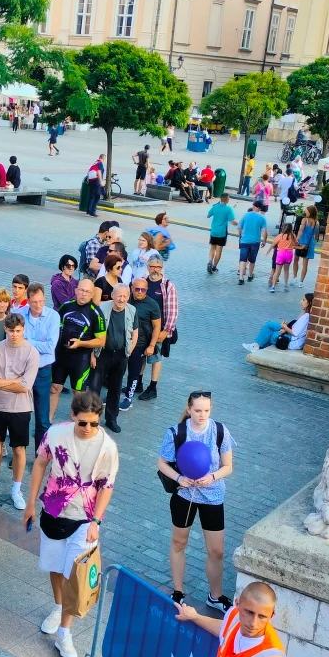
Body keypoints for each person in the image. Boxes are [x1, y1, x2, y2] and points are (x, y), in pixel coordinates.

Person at [25, 391, 117, 657]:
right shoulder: (56, 434)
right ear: (73, 416)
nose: (88, 428)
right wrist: (30, 503)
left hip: (84, 516)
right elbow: (41, 462)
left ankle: (65, 634)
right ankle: (57, 606)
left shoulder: (107, 447)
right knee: (55, 568)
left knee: (72, 575)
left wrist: (96, 522)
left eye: (94, 423)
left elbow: (106, 486)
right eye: (83, 423)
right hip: (53, 508)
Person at [158, 391, 235, 608]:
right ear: (189, 408)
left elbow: (228, 466)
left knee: (216, 551)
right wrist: (179, 478)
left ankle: (215, 596)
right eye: (198, 410)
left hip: (213, 496)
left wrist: (211, 476)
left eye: (207, 410)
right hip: (184, 495)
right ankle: (178, 591)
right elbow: (162, 463)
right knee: (179, 543)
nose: (202, 415)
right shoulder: (176, 432)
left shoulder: (219, 430)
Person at [0, 313, 39, 509]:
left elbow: (25, 387)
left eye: (18, 331)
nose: (14, 334)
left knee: (19, 449)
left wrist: (2, 383)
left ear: (23, 330)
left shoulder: (31, 352)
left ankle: (16, 489)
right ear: (5, 329)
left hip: (20, 408)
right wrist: (14, 381)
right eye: (11, 330)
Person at [50, 278, 106, 421]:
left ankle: (77, 423)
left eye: (87, 291)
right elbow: (55, 327)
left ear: (92, 294)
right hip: (61, 355)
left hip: (80, 358)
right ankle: (47, 422)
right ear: (76, 290)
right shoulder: (66, 306)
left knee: (78, 393)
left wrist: (80, 343)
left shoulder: (96, 313)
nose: (83, 294)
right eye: (81, 290)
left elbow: (101, 340)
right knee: (54, 388)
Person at [93, 285, 137, 433]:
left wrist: (129, 351)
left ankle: (111, 419)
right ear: (112, 295)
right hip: (102, 354)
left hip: (121, 355)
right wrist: (93, 355)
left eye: (125, 296)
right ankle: (93, 419)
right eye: (119, 296)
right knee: (95, 387)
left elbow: (135, 332)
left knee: (115, 388)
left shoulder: (132, 310)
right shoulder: (101, 308)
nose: (121, 299)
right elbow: (93, 333)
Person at [23, 284, 61, 448]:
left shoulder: (53, 316)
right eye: (34, 302)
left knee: (42, 417)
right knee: (22, 415)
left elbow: (50, 347)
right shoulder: (18, 314)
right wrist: (37, 344)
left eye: (41, 301)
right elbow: (15, 342)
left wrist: (27, 342)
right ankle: (20, 452)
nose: (38, 305)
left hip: (42, 371)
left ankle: (41, 453)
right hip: (22, 370)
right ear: (28, 300)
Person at [136, 257, 177, 401]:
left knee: (155, 358)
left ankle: (153, 387)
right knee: (140, 355)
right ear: (147, 267)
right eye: (152, 266)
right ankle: (138, 383)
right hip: (140, 327)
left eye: (158, 267)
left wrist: (165, 331)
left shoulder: (167, 286)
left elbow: (172, 311)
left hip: (158, 329)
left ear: (162, 268)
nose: (155, 269)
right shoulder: (142, 282)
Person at [122, 276, 162, 410]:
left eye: (143, 290)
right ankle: (113, 394)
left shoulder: (152, 304)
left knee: (134, 372)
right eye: (137, 289)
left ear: (146, 290)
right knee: (117, 371)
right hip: (122, 342)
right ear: (132, 288)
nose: (139, 292)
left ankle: (128, 398)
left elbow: (157, 326)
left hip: (140, 344)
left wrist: (151, 346)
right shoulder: (126, 299)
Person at [245, 293, 314, 353]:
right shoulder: (306, 314)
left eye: (304, 300)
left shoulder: (306, 317)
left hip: (291, 340)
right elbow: (296, 323)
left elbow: (295, 333)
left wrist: (285, 328)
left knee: (271, 331)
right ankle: (257, 346)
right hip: (290, 334)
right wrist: (285, 329)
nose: (301, 301)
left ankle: (256, 346)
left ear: (309, 303)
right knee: (270, 326)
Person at [237, 202, 268, 285]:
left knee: (243, 259)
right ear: (260, 208)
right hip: (255, 242)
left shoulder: (245, 215)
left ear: (254, 207)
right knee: (252, 260)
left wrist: (241, 236)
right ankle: (250, 275)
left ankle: (241, 278)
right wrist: (264, 241)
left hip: (244, 240)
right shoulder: (262, 218)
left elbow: (240, 227)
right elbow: (264, 231)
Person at [206, 192, 237, 275]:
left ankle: (209, 261)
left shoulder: (215, 207)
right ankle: (214, 266)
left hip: (214, 231)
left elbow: (208, 216)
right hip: (222, 232)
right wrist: (240, 224)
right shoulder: (229, 209)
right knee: (219, 250)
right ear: (227, 200)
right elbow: (233, 221)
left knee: (212, 247)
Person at [267, 222, 296, 292]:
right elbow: (295, 243)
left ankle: (273, 286)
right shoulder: (293, 236)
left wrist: (268, 250)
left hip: (280, 254)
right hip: (289, 254)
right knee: (286, 270)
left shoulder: (281, 235)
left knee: (277, 271)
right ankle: (286, 285)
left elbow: (273, 244)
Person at [294, 204, 318, 284]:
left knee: (296, 259)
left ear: (310, 212)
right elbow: (317, 235)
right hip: (310, 242)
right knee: (305, 263)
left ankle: (294, 278)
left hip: (302, 241)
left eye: (306, 211)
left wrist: (297, 239)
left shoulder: (305, 220)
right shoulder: (317, 222)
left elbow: (301, 230)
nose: (305, 212)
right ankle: (301, 282)